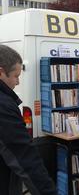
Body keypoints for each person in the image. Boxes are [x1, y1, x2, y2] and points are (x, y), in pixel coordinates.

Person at [0, 45, 56, 194]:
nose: (17, 82)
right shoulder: (3, 106)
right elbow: (25, 157)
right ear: (1, 72)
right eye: (15, 76)